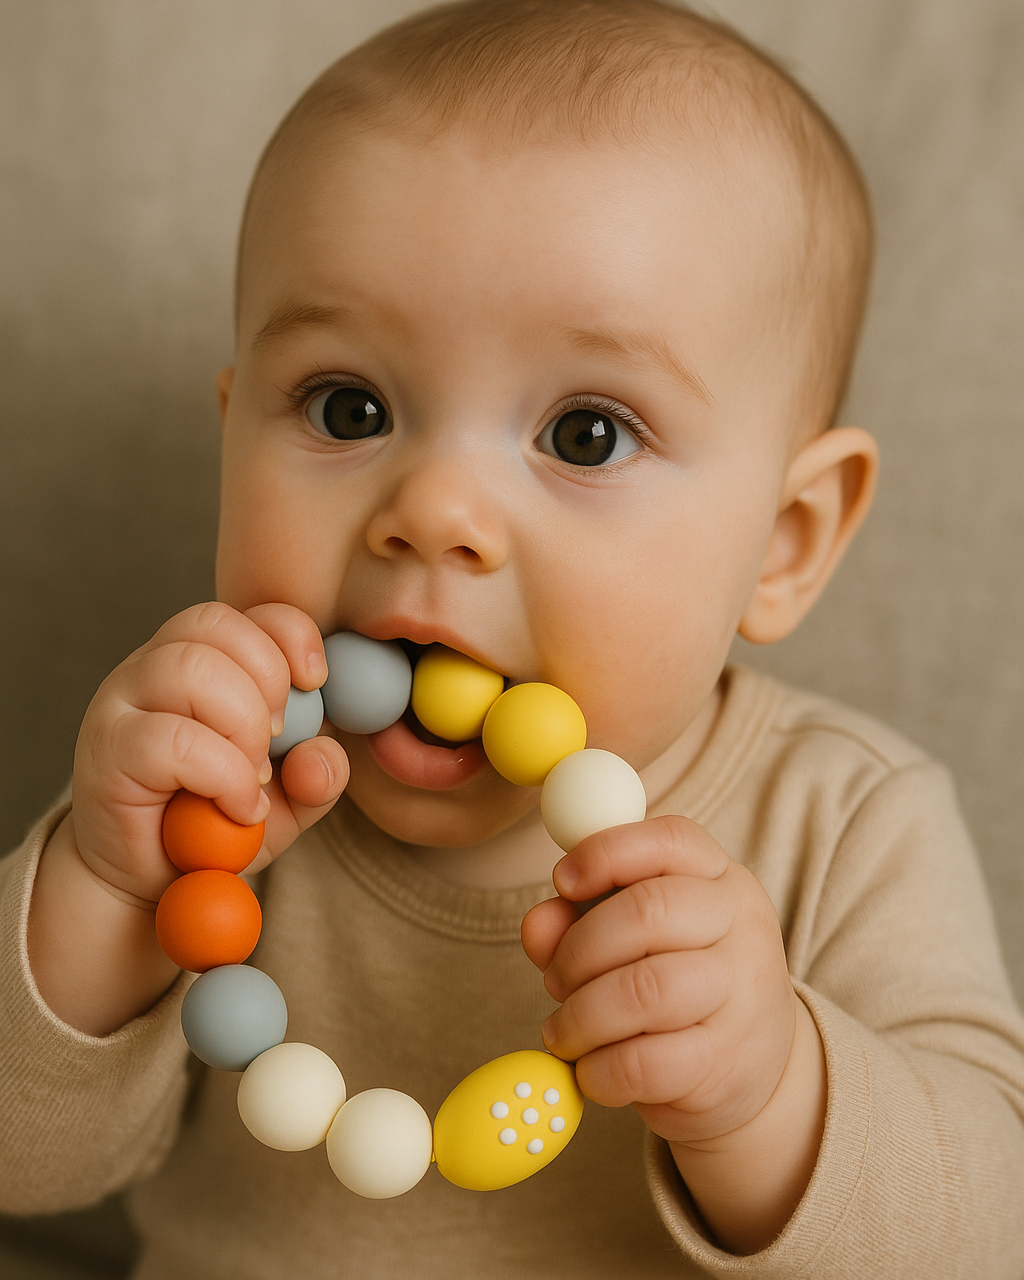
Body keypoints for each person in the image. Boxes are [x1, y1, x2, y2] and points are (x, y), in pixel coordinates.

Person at [3, 0, 1024, 1275]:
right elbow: (21, 1163)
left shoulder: (842, 821)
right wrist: (106, 889)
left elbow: (987, 1240)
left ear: (785, 539)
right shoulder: (208, 790)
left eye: (585, 433)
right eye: (347, 404)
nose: (432, 513)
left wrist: (773, 1093)